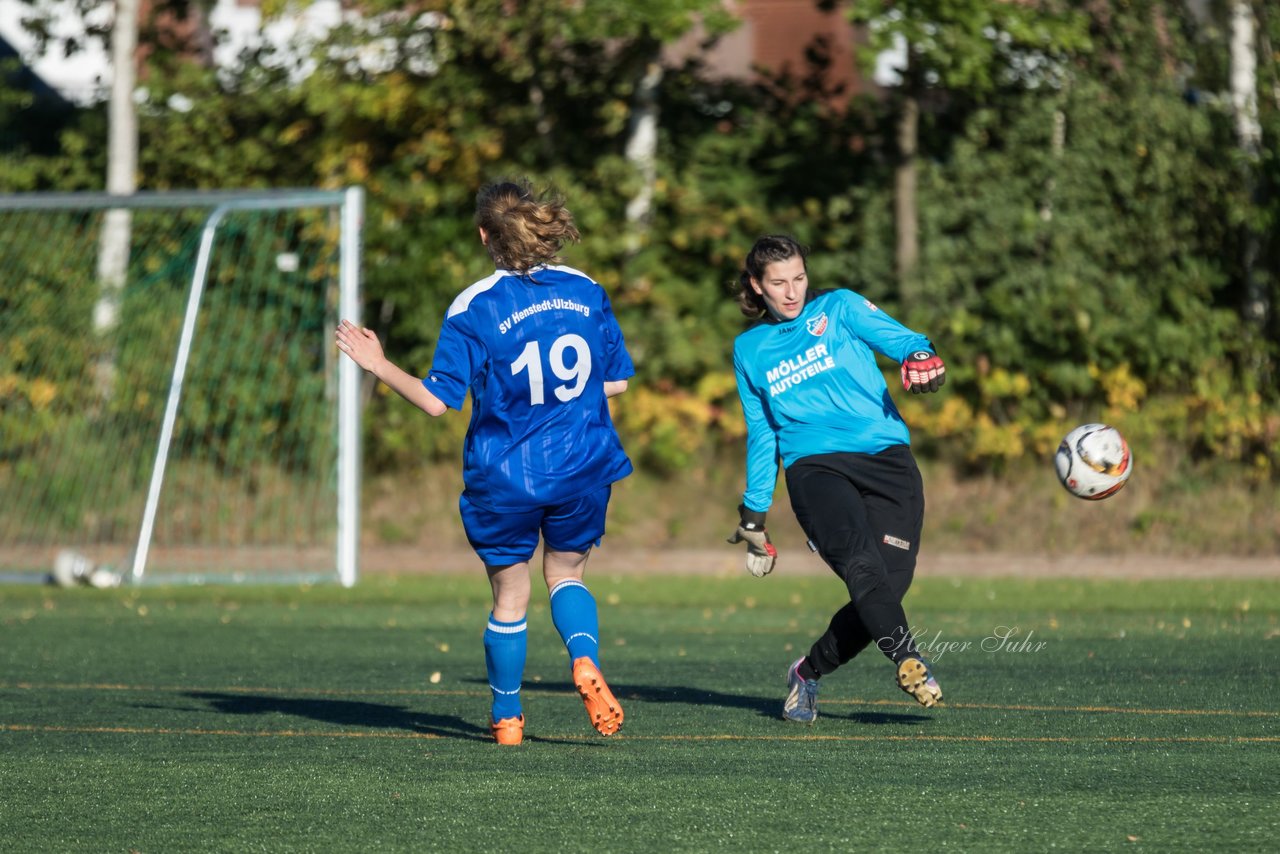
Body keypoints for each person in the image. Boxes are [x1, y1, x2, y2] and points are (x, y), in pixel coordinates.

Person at [336, 178, 633, 746]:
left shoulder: (473, 308)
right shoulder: (587, 290)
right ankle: (583, 659)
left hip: (507, 477)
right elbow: (613, 380)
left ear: (483, 236)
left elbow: (434, 402)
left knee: (510, 597)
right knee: (566, 574)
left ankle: (507, 718)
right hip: (583, 464)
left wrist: (376, 363)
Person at [726, 234, 946, 723]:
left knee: (886, 591)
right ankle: (908, 659)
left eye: (799, 278)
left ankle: (806, 672)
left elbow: (904, 339)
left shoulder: (841, 308)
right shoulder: (750, 349)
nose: (792, 292)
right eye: (778, 282)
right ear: (756, 286)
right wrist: (754, 514)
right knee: (862, 566)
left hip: (889, 462)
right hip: (815, 469)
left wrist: (920, 358)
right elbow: (762, 435)